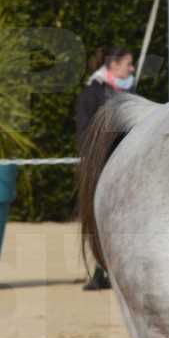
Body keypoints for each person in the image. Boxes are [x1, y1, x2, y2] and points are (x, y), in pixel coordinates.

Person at [73, 46, 134, 291]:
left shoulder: (129, 93)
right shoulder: (92, 93)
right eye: (128, 64)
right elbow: (85, 130)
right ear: (114, 65)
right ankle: (100, 269)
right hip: (101, 164)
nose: (132, 69)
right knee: (99, 219)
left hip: (126, 164)